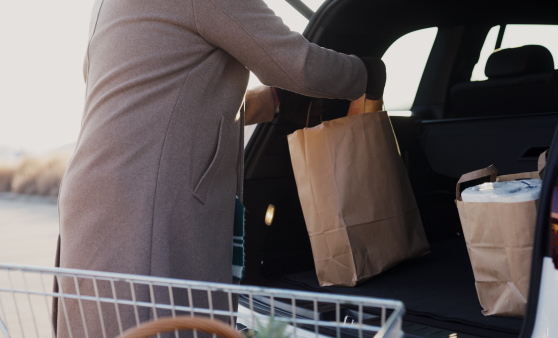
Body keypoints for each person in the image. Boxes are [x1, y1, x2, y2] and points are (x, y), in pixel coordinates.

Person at [54, 0, 385, 336]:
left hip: (95, 201)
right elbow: (301, 66)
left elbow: (157, 93)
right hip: (148, 209)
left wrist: (275, 102)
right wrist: (366, 73)